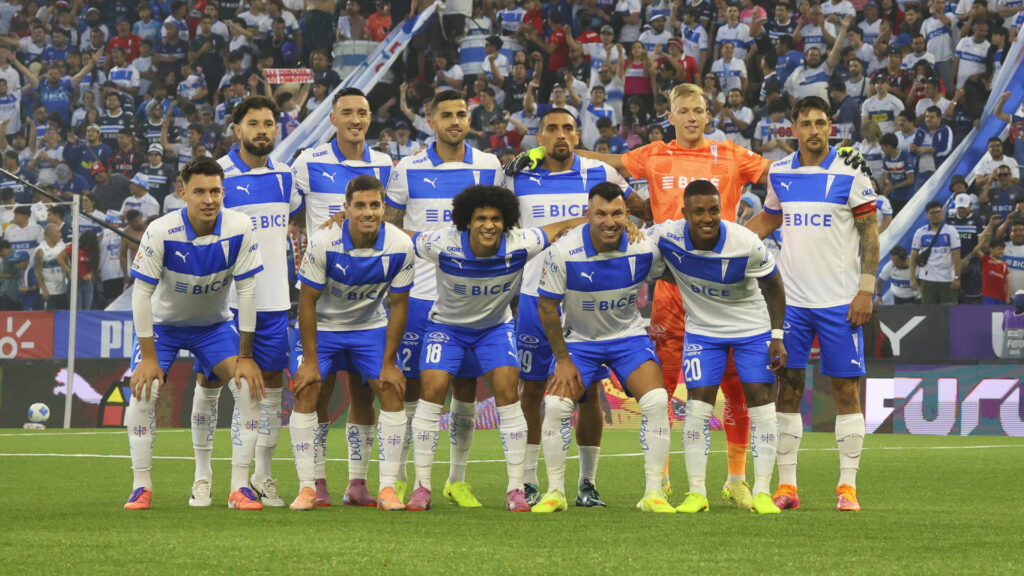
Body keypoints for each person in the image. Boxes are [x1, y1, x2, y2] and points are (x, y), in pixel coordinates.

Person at [505, 82, 871, 505]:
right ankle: (660, 481)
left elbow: (788, 172)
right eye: (684, 110)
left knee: (738, 388)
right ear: (672, 115)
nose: (693, 117)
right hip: (670, 285)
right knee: (668, 388)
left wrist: (841, 158)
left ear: (708, 115)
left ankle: (736, 479)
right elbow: (605, 160)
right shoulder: (652, 153)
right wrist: (542, 152)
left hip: (726, 289)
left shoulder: (731, 154)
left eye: (699, 110)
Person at [404, 185, 587, 512]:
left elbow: (561, 227)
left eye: (496, 219)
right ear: (467, 222)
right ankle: (421, 487)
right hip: (446, 327)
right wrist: (353, 220)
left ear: (507, 222)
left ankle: (516, 489)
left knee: (507, 393)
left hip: (494, 330)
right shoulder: (442, 244)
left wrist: (598, 220)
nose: (489, 225)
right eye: (481, 219)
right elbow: (402, 234)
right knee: (431, 391)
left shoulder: (520, 244)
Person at [747, 96, 880, 512]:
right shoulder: (780, 173)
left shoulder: (851, 172)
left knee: (844, 390)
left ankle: (847, 487)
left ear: (831, 127)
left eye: (821, 122)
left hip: (841, 301)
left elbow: (870, 234)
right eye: (805, 123)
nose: (814, 130)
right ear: (793, 129)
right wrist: (726, 246)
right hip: (791, 303)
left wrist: (865, 290)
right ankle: (787, 487)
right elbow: (768, 220)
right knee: (788, 389)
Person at [501, 108, 631, 507]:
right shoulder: (516, 176)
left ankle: (587, 483)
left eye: (568, 129)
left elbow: (631, 209)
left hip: (585, 300)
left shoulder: (600, 173)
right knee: (532, 389)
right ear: (538, 135)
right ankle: (528, 479)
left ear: (578, 135)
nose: (561, 135)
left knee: (587, 391)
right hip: (533, 296)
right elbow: (500, 224)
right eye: (552, 128)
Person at [123, 156, 264, 511]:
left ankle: (238, 487)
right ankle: (141, 486)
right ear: (182, 192)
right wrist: (150, 357)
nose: (208, 199)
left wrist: (246, 357)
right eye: (199, 191)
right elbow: (140, 294)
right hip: (163, 329)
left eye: (215, 191)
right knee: (144, 391)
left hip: (213, 328)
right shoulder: (160, 230)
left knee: (247, 389)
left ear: (223, 192)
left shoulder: (240, 227)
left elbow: (247, 292)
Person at [384, 90, 503, 507]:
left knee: (466, 387)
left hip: (472, 296)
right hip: (418, 294)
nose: (456, 120)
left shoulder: (488, 166)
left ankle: (456, 478)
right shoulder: (407, 169)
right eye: (447, 115)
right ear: (430, 121)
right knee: (415, 386)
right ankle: (402, 477)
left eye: (462, 114)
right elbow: (392, 228)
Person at [531, 182, 672, 514]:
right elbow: (547, 307)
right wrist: (563, 359)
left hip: (628, 338)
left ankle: (654, 493)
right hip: (579, 341)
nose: (609, 222)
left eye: (617, 214)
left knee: (656, 401)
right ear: (587, 215)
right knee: (554, 407)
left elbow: (677, 267)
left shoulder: (645, 248)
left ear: (627, 214)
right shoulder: (562, 252)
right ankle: (554, 492)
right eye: (601, 214)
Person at [194, 95, 303, 508]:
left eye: (269, 123)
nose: (262, 130)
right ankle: (203, 475)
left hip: (274, 301)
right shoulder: (217, 175)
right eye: (253, 124)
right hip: (225, 304)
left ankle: (261, 476)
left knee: (270, 386)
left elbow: (297, 220)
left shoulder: (286, 176)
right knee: (212, 382)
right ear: (236, 130)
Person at [654, 179, 787, 514]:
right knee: (698, 406)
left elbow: (774, 285)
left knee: (760, 403)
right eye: (698, 211)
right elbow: (637, 244)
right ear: (684, 212)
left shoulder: (745, 243)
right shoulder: (666, 236)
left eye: (713, 209)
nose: (707, 217)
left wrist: (777, 336)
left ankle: (761, 491)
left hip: (751, 329)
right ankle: (697, 493)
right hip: (703, 333)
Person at [290, 87, 394, 506]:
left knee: (365, 393)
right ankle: (315, 481)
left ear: (370, 119)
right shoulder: (309, 161)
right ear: (332, 119)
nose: (355, 119)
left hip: (369, 299)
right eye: (347, 112)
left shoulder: (385, 163)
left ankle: (358, 482)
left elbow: (391, 216)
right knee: (316, 387)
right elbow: (287, 209)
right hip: (321, 299)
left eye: (363, 113)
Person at [290, 175, 415, 511]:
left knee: (389, 388)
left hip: (369, 328)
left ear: (384, 208)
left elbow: (400, 304)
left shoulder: (401, 245)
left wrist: (389, 362)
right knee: (309, 389)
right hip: (325, 329)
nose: (368, 212)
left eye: (375, 205)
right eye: (359, 205)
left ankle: (379, 488)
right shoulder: (324, 241)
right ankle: (309, 487)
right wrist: (311, 361)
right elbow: (306, 303)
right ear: (346, 208)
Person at [909, 200, 962, 305]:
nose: (936, 215)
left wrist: (957, 278)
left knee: (949, 312)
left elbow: (957, 257)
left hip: (948, 279)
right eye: (932, 213)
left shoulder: (951, 231)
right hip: (927, 279)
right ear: (927, 215)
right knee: (930, 312)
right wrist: (912, 278)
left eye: (938, 212)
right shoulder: (920, 233)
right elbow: (913, 257)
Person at [33, 223, 69, 311]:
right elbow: (37, 272)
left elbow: (67, 265)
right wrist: (44, 289)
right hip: (49, 291)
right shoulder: (41, 250)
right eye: (57, 232)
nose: (60, 234)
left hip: (62, 290)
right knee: (49, 317)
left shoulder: (62, 247)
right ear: (50, 234)